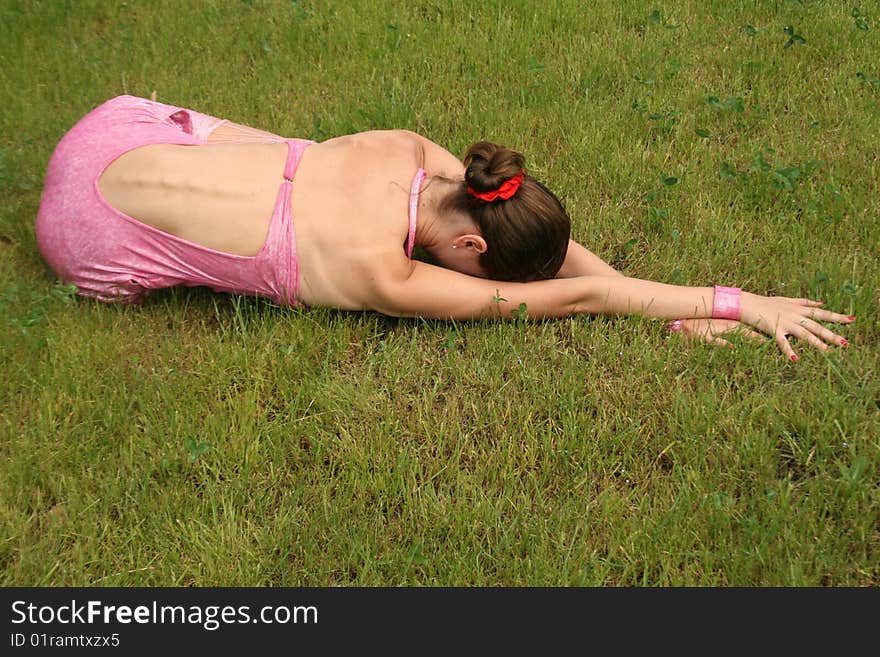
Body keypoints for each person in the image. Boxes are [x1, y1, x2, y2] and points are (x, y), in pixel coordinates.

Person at [35, 95, 854, 361]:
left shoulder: (411, 150)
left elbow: (554, 255)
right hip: (84, 231)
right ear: (471, 249)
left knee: (275, 152)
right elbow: (578, 296)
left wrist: (672, 304)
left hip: (114, 127)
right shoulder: (383, 277)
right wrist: (733, 302)